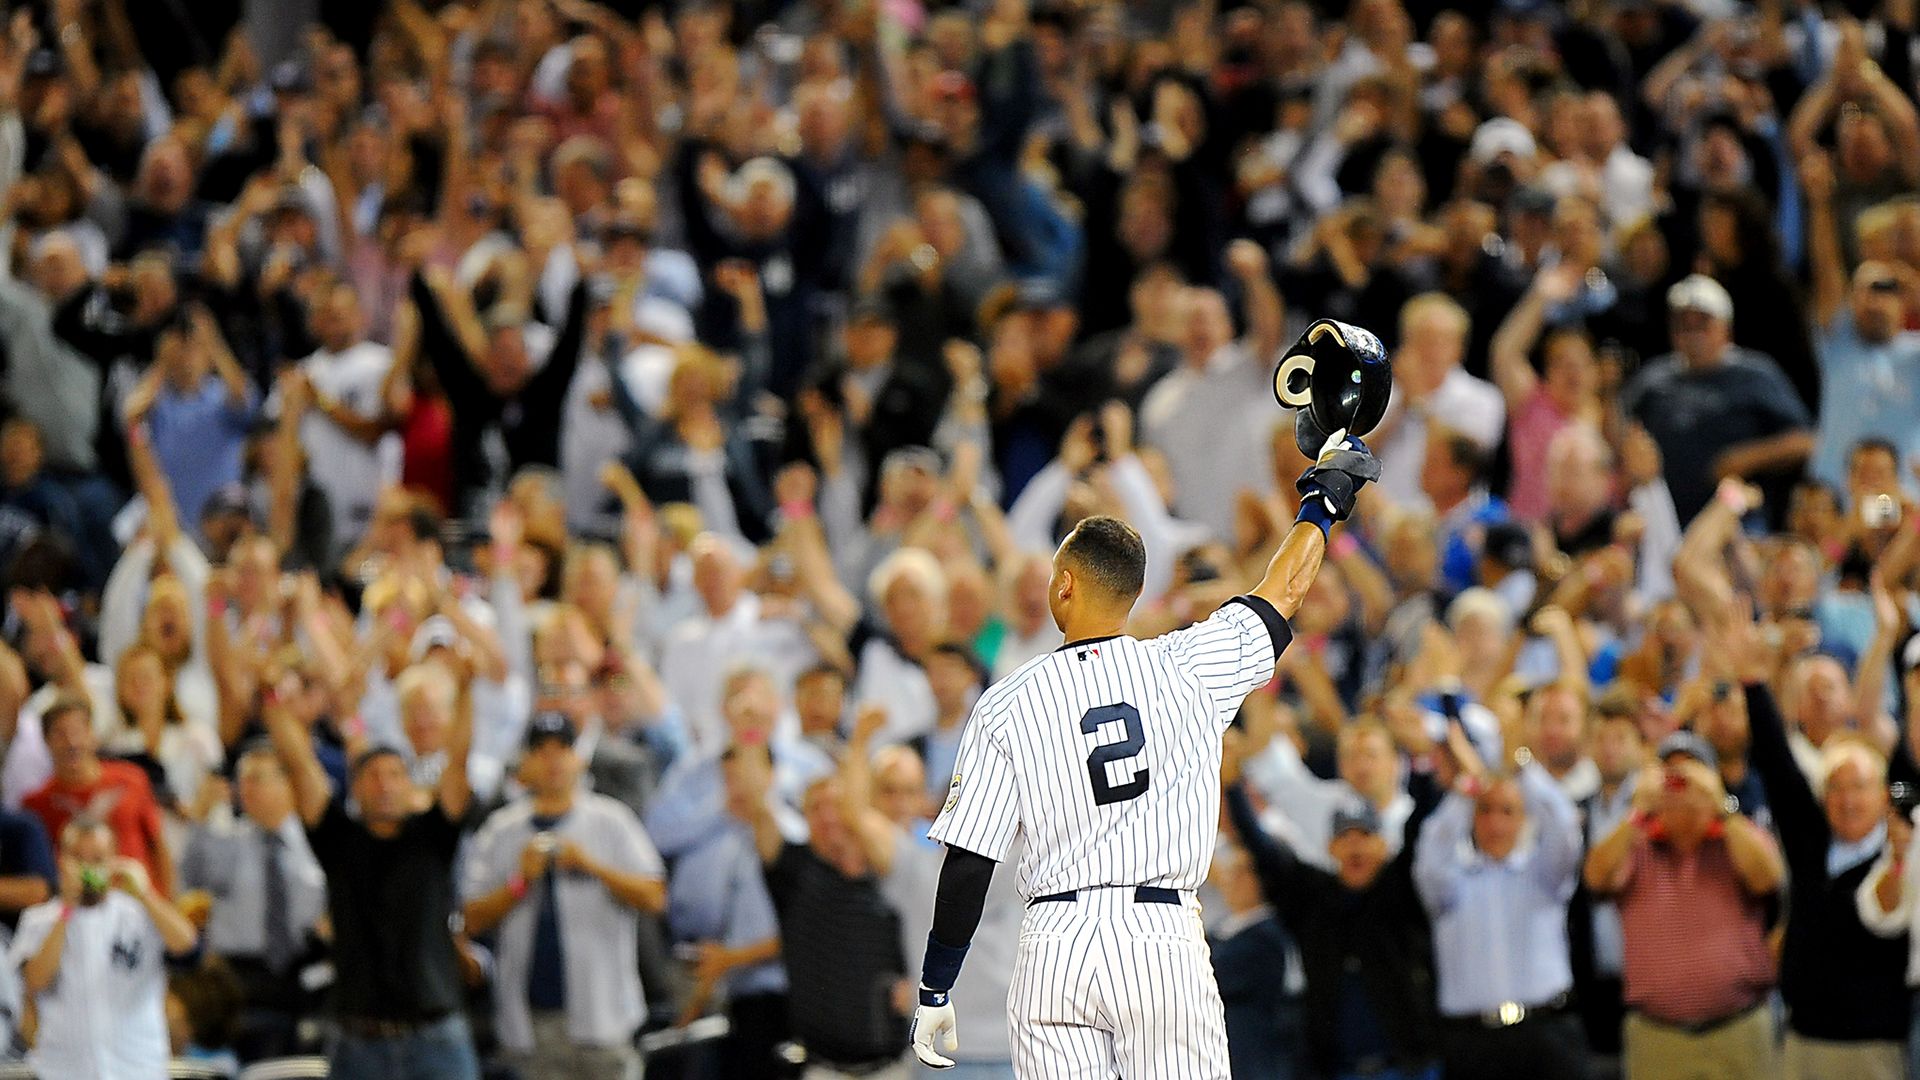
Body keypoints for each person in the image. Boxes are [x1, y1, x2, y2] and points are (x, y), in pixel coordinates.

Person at [908, 426, 1380, 1076]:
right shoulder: (1188, 664)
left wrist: (937, 983)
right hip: (1159, 940)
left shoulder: (1007, 701)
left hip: (1055, 944)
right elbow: (1284, 591)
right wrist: (1325, 499)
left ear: (1066, 586)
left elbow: (968, 863)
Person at [265, 648, 480, 1080]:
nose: (384, 784)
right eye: (372, 775)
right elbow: (298, 762)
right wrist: (274, 695)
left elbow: (457, 762)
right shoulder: (339, 840)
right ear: (355, 788)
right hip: (359, 1040)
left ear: (411, 784)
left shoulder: (434, 834)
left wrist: (468, 689)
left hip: (435, 1035)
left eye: (395, 774)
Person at [461, 711, 666, 1080]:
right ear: (525, 763)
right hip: (530, 1025)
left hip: (604, 1017)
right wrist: (519, 883)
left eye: (562, 749)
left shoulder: (611, 820)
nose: (553, 759)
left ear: (578, 758)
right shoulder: (501, 830)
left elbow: (654, 896)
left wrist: (594, 867)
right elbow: (471, 919)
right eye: (541, 750)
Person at [1584, 732, 1784, 1080]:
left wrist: (1721, 807)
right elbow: (1596, 877)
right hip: (1657, 1037)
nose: (1679, 787)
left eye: (1690, 776)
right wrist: (1637, 811)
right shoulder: (1638, 842)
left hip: (1739, 1029)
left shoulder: (1737, 836)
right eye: (1670, 776)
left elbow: (1767, 878)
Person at [1413, 749, 1585, 1080]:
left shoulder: (1544, 876)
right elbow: (1430, 857)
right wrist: (1465, 794)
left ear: (1524, 818)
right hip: (1473, 1043)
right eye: (1485, 811)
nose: (1495, 823)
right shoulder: (1451, 887)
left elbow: (1564, 830)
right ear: (1472, 819)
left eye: (1508, 811)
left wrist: (1526, 772)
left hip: (1546, 1034)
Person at [11, 816, 199, 1080]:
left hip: (137, 1065)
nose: (87, 867)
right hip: (64, 1069)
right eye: (78, 857)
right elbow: (33, 982)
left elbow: (189, 947)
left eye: (98, 859)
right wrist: (66, 910)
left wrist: (146, 893)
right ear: (61, 859)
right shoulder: (39, 920)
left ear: (114, 860)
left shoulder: (138, 914)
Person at [177, 744, 328, 1062]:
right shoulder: (228, 842)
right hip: (243, 979)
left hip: (307, 975)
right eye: (241, 780)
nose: (245, 788)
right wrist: (199, 816)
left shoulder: (320, 843)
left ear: (288, 784)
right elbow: (190, 876)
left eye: (257, 779)